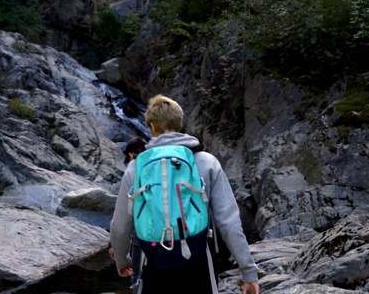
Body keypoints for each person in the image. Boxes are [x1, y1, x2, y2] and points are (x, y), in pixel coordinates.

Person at [110, 94, 259, 294]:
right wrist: (248, 271)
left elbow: (120, 226)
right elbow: (229, 221)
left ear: (152, 127)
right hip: (198, 260)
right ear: (180, 123)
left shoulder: (136, 167)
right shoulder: (206, 162)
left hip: (153, 261)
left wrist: (122, 260)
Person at [110, 136, 147, 293]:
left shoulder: (134, 169)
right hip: (180, 240)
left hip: (143, 239)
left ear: (132, 155)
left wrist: (120, 257)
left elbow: (122, 221)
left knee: (139, 280)